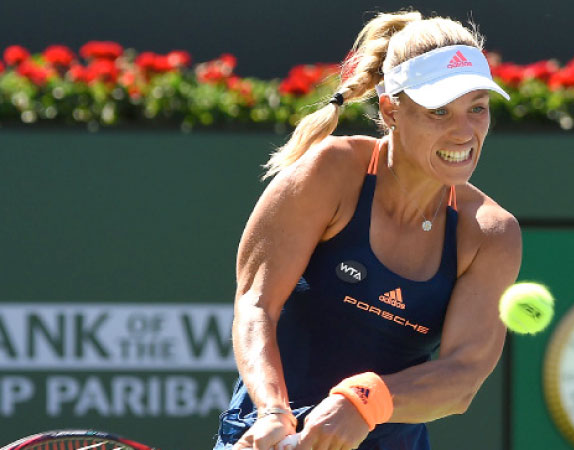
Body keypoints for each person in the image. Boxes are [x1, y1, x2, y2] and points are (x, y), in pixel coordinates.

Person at [214, 10, 522, 450]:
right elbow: (257, 302)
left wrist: (362, 402)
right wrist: (272, 412)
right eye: (439, 111)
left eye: (477, 109)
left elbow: (461, 378)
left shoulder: (490, 233)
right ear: (391, 109)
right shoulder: (330, 172)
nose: (464, 132)